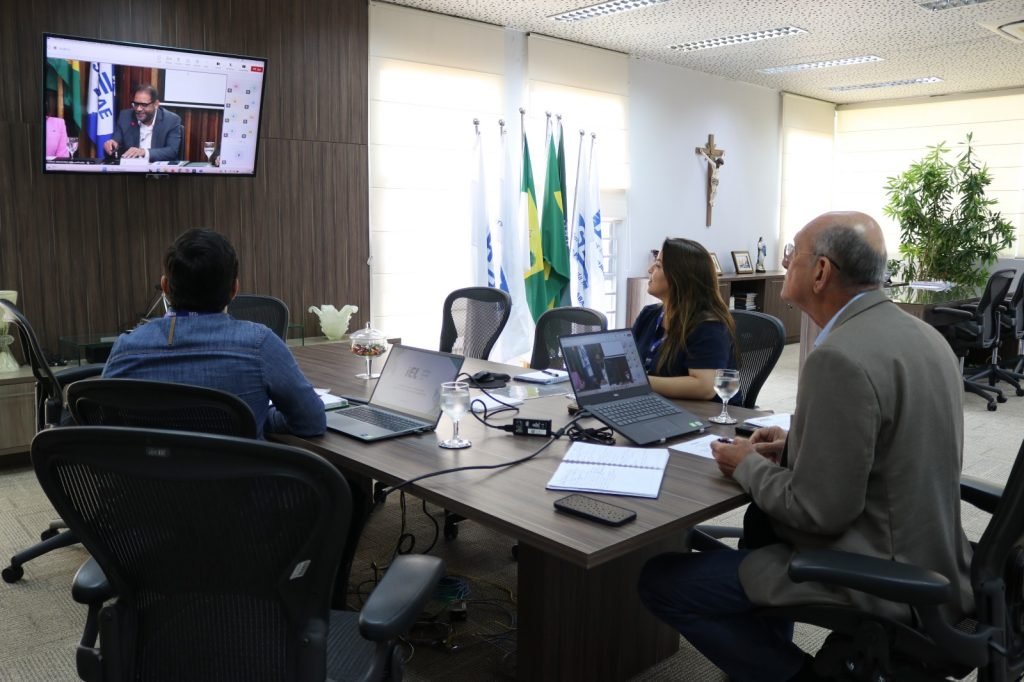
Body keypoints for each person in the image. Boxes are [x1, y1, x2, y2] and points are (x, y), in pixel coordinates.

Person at [637, 212, 973, 681]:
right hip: (936, 558)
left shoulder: (840, 357)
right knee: (758, 524)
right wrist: (798, 442)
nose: (785, 261)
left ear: (821, 272)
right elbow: (890, 440)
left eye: (793, 252)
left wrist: (746, 464)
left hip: (873, 573)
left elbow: (819, 512)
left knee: (661, 581)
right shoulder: (924, 336)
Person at [103, 229, 325, 440]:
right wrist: (257, 418)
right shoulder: (260, 345)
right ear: (234, 289)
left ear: (165, 287)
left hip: (147, 469)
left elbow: (101, 421)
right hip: (239, 470)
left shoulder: (125, 349)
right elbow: (311, 422)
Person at [632, 237, 739, 402]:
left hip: (701, 413)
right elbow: (629, 364)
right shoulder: (649, 315)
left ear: (679, 278)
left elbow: (705, 387)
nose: (650, 269)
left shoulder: (709, 327)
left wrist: (637, 383)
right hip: (655, 404)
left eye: (658, 266)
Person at [103, 84, 183, 162]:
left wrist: (144, 152)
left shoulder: (171, 120)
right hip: (132, 168)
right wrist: (112, 144)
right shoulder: (125, 117)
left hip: (159, 169)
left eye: (144, 105)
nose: (138, 109)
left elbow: (172, 151)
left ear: (156, 104)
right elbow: (117, 141)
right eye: (136, 104)